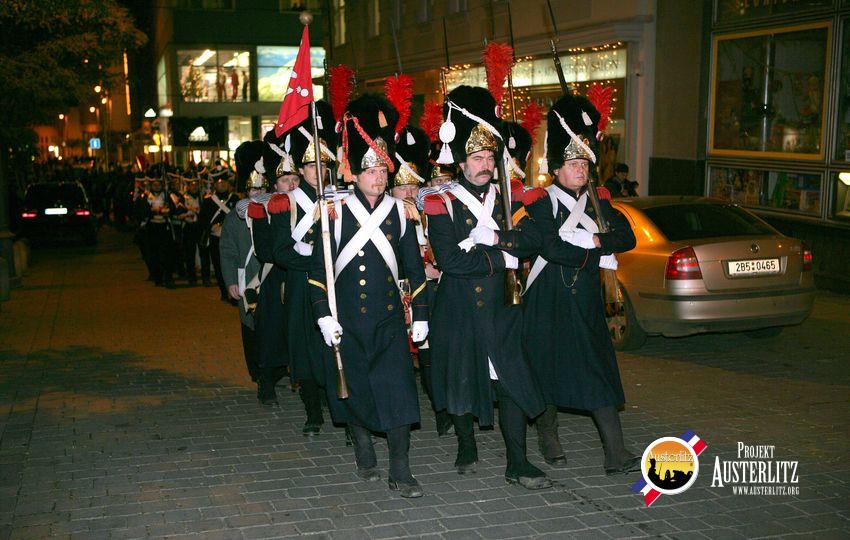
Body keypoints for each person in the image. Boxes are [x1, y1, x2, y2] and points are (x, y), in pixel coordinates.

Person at [424, 85, 551, 490]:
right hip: (459, 308)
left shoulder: (510, 198)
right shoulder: (441, 201)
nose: (484, 165)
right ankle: (466, 445)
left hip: (503, 307)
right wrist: (502, 259)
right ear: (461, 162)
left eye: (490, 158)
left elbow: (534, 238)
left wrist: (497, 239)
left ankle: (518, 461)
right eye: (477, 159)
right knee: (461, 380)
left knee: (511, 380)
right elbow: (450, 261)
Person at [308, 95, 428, 498]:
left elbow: (414, 270)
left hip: (389, 321)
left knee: (399, 393)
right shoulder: (334, 212)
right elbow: (318, 274)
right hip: (348, 321)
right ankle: (362, 446)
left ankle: (401, 469)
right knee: (355, 389)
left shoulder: (402, 212)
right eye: (370, 170)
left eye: (382, 169)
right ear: (353, 173)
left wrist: (421, 314)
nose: (378, 177)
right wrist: (324, 315)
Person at [522, 92, 640, 476]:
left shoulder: (599, 202)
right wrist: (593, 252)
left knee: (598, 371)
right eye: (573, 164)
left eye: (584, 163)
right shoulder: (541, 202)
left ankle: (615, 453)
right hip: (548, 297)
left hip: (585, 300)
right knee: (545, 370)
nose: (580, 170)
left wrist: (593, 239)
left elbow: (626, 238)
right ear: (556, 169)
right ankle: (549, 437)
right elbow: (551, 248)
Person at [250, 102, 338, 433]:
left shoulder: (339, 199)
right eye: (312, 165)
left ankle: (340, 411)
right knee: (305, 349)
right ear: (302, 169)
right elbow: (280, 251)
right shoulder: (284, 202)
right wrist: (317, 260)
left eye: (323, 165)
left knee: (335, 347)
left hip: (334, 283)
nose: (318, 171)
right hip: (302, 284)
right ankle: (313, 412)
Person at [391, 124, 452, 438]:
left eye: (413, 186)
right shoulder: (387, 216)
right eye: (402, 187)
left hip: (432, 293)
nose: (409, 193)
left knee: (432, 354)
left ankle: (442, 411)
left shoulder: (429, 210)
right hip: (400, 293)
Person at [219, 175, 263, 387]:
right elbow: (227, 251)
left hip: (269, 275)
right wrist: (230, 281)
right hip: (246, 276)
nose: (258, 193)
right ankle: (256, 369)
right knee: (249, 324)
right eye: (254, 189)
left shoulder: (274, 210)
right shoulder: (233, 218)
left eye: (261, 189)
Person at [201, 172, 240, 301]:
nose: (222, 185)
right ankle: (224, 292)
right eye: (219, 183)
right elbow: (203, 220)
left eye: (224, 182)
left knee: (233, 265)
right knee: (218, 266)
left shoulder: (235, 199)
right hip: (215, 237)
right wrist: (211, 227)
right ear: (215, 186)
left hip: (232, 238)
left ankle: (234, 292)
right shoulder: (208, 201)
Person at [145, 177, 178, 288]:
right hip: (152, 228)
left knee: (167, 254)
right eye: (154, 185)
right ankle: (158, 278)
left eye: (158, 185)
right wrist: (154, 211)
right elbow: (142, 211)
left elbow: (173, 209)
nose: (157, 187)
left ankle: (168, 277)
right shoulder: (147, 197)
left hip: (165, 227)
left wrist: (168, 211)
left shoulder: (167, 196)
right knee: (154, 254)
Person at [181, 178, 203, 285]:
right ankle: (191, 277)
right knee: (190, 253)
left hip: (199, 227)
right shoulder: (183, 198)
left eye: (196, 185)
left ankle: (205, 276)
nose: (194, 187)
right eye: (192, 185)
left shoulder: (202, 197)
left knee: (203, 252)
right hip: (189, 227)